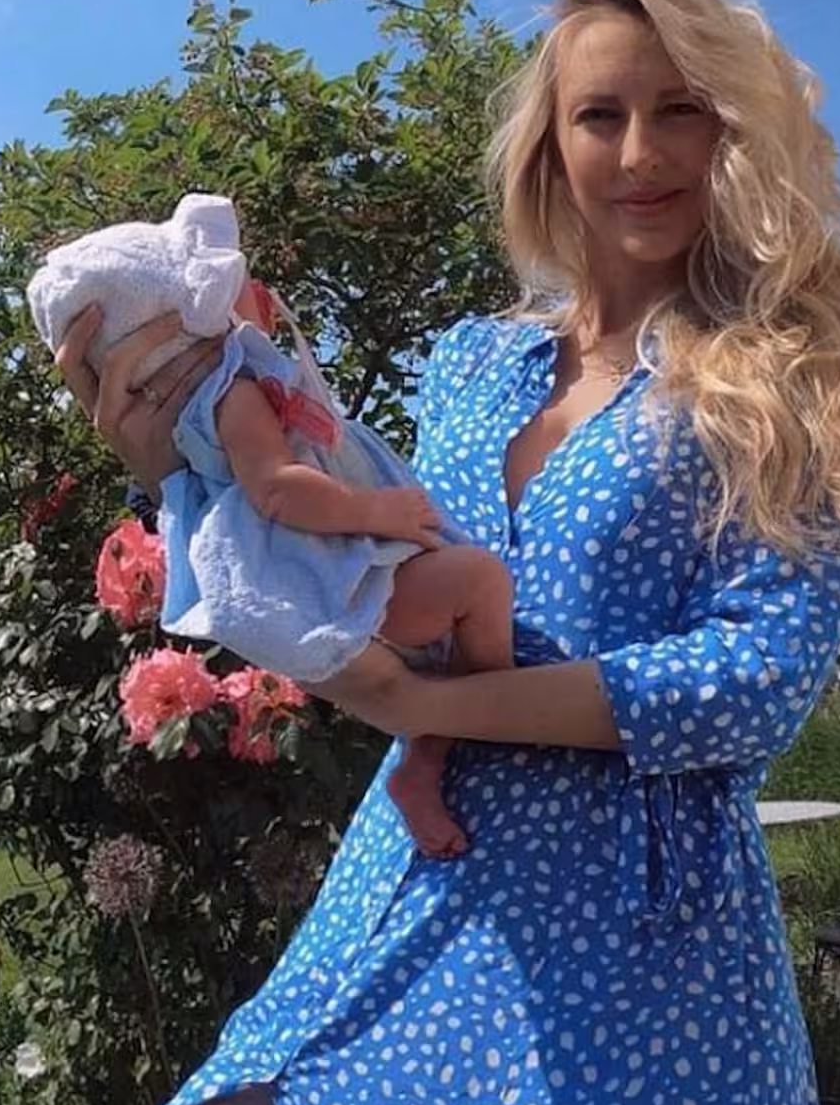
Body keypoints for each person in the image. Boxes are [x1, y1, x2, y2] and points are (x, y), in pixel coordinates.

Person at [55, 0, 840, 1105]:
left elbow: (753, 679)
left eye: (679, 109)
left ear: (732, 131)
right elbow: (355, 561)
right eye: (600, 115)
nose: (639, 152)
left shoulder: (789, 373)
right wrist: (181, 460)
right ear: (550, 146)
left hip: (637, 957)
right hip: (409, 888)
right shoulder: (473, 360)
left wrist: (427, 705)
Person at [29, 194, 514, 858]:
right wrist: (377, 510)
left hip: (345, 566)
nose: (259, 291)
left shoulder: (212, 404)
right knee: (481, 582)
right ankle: (499, 718)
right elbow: (278, 490)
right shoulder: (232, 394)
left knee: (455, 630)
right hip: (345, 570)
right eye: (238, 280)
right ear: (194, 318)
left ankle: (427, 763)